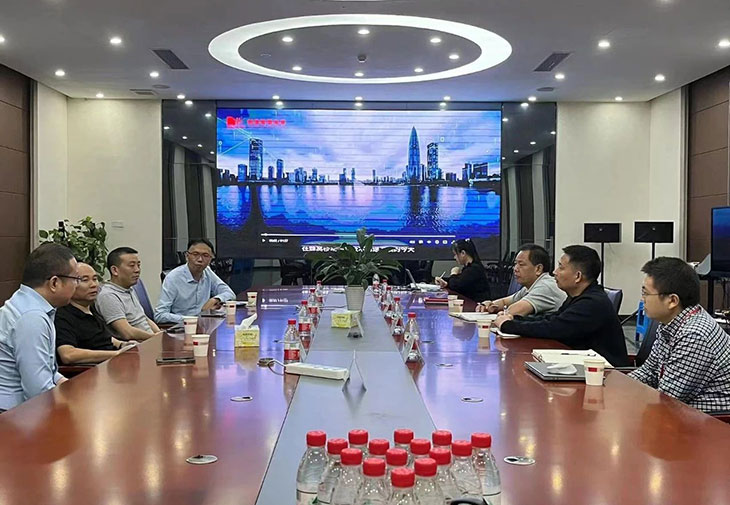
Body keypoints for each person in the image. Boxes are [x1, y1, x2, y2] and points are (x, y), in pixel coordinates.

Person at [494, 245, 629, 366]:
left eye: (561, 267)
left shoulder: (592, 303)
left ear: (578, 276)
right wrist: (515, 319)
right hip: (581, 365)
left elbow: (554, 328)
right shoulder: (577, 297)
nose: (555, 272)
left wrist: (508, 325)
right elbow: (552, 319)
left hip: (604, 374)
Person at [629, 257, 730, 413]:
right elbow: (649, 372)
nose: (643, 300)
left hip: (712, 421)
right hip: (681, 412)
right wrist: (616, 387)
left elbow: (667, 399)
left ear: (672, 300)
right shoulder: (670, 323)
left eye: (646, 294)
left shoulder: (694, 336)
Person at [0, 244, 75, 411]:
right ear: (54, 283)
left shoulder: (27, 302)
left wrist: (74, 389)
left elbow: (49, 371)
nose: (76, 285)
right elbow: (38, 392)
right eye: (75, 279)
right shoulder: (31, 318)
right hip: (12, 414)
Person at [55, 262, 135, 365]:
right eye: (85, 280)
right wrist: (116, 354)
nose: (93, 285)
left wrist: (123, 344)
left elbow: (103, 337)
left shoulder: (91, 308)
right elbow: (68, 355)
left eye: (95, 279)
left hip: (113, 363)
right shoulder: (62, 315)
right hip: (93, 370)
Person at [154, 239, 235, 325]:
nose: (200, 259)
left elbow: (230, 294)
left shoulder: (207, 272)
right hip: (182, 327)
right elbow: (159, 315)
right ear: (187, 256)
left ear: (210, 259)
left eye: (205, 255)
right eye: (195, 254)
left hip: (204, 325)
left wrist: (215, 299)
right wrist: (191, 319)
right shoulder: (173, 278)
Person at [477, 244, 566, 316]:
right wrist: (489, 305)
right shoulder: (530, 286)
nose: (515, 269)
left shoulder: (545, 286)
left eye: (521, 264)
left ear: (538, 269)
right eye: (515, 264)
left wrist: (502, 312)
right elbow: (505, 302)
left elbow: (514, 311)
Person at [95, 247, 161, 341]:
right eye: (132, 265)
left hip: (151, 341)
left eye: (138, 265)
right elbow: (127, 332)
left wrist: (160, 334)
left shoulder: (129, 288)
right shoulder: (108, 295)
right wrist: (154, 337)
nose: (137, 270)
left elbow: (144, 318)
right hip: (137, 346)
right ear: (115, 270)